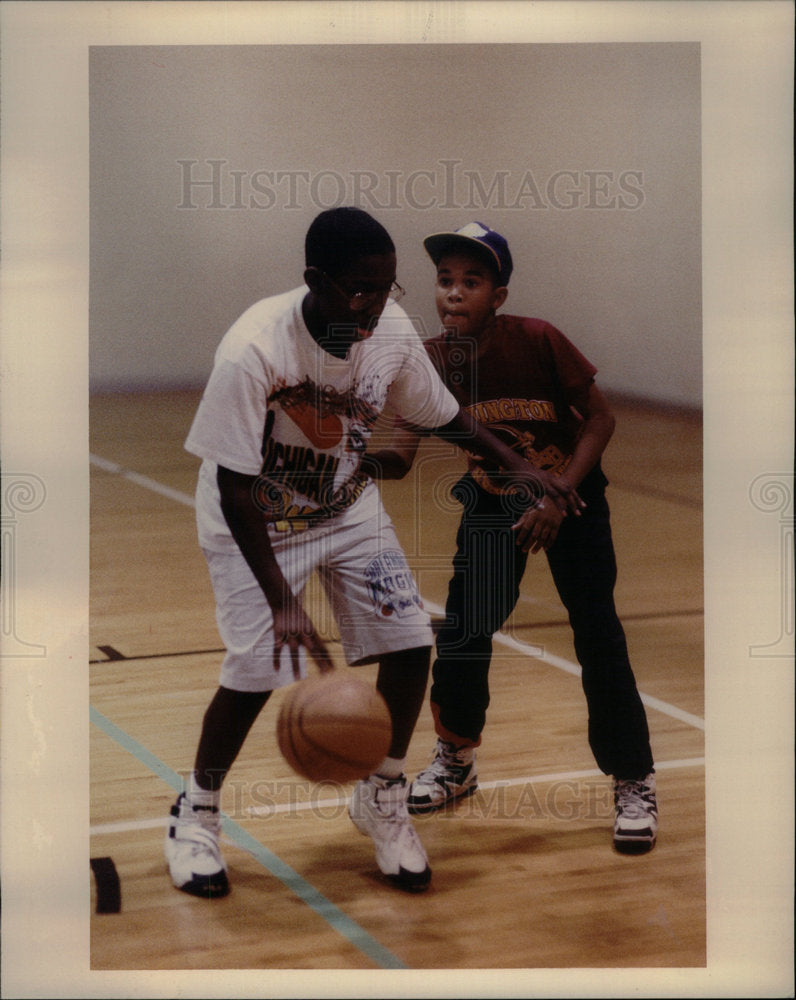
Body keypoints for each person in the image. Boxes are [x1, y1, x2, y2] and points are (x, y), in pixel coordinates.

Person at [165, 208, 580, 899]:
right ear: (315, 281)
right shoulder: (255, 348)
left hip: (347, 508)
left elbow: (444, 415)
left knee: (410, 640)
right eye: (358, 289)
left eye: (386, 289)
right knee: (255, 671)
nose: (373, 305)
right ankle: (196, 814)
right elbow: (236, 486)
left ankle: (382, 796)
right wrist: (282, 602)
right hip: (257, 521)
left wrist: (518, 468)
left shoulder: (385, 329)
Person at [363, 222, 658, 854]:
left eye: (471, 282)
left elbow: (600, 419)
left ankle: (634, 778)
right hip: (495, 507)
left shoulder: (540, 339)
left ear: (498, 295)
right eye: (445, 281)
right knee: (467, 633)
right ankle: (456, 760)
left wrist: (557, 493)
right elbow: (402, 453)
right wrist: (351, 459)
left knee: (598, 634)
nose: (453, 294)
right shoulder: (431, 360)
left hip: (573, 498)